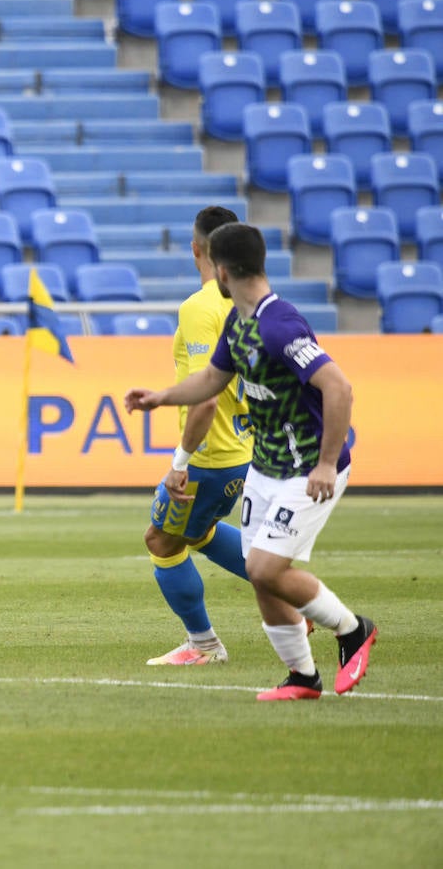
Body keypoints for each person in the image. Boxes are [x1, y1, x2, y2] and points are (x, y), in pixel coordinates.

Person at [124, 222, 377, 701]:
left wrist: (326, 463)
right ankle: (302, 677)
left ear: (220, 269)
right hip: (264, 465)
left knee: (263, 568)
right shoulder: (237, 324)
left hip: (306, 467)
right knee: (257, 570)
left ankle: (352, 629)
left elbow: (339, 387)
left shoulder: (279, 323)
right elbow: (211, 382)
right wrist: (159, 397)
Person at [141, 206, 254, 667]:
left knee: (161, 541)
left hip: (212, 452)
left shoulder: (199, 307)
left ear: (197, 249)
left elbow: (206, 395)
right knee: (201, 532)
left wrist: (179, 463)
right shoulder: (253, 301)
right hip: (246, 447)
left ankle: (203, 644)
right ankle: (290, 601)